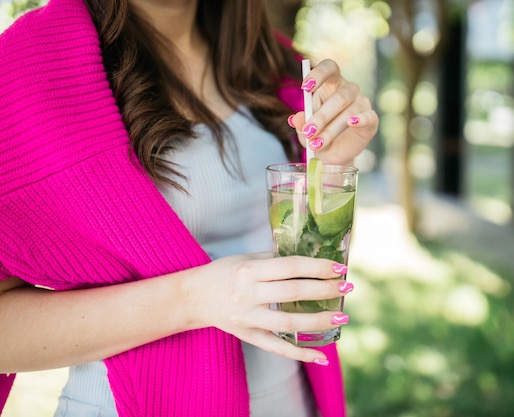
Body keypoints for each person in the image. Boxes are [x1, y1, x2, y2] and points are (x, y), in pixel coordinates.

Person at [0, 0, 378, 416]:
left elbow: (314, 258)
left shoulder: (275, 62)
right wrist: (194, 299)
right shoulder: (27, 67)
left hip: (293, 401)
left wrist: (334, 164)